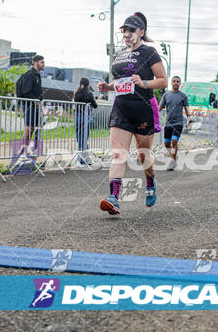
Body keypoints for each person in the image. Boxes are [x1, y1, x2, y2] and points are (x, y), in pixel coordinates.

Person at [97, 12, 167, 215]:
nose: (127, 33)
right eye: (124, 30)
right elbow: (120, 83)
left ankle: (151, 181)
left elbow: (163, 80)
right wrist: (107, 87)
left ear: (141, 32)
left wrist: (144, 82)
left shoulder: (150, 52)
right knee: (119, 154)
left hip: (144, 107)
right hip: (121, 108)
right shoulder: (119, 54)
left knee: (143, 156)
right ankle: (114, 199)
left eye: (131, 30)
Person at [159, 76, 191, 171]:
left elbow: (187, 110)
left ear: (180, 83)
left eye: (178, 81)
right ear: (171, 83)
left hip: (178, 123)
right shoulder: (166, 95)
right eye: (174, 81)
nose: (176, 83)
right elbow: (159, 108)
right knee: (166, 144)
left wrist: (189, 122)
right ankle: (174, 156)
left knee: (174, 142)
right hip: (168, 123)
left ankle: (172, 162)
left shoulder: (183, 95)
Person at [19, 54, 44, 154]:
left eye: (43, 62)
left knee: (34, 127)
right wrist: (36, 100)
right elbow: (26, 91)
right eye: (41, 62)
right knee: (29, 127)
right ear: (35, 63)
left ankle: (28, 148)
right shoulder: (30, 74)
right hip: (29, 105)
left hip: (35, 105)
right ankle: (23, 148)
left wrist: (40, 100)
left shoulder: (37, 75)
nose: (43, 64)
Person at [74, 77, 98, 165]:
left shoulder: (76, 93)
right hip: (86, 118)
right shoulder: (89, 93)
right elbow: (95, 105)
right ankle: (81, 159)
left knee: (79, 138)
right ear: (88, 85)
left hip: (77, 117)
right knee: (84, 139)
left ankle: (84, 158)